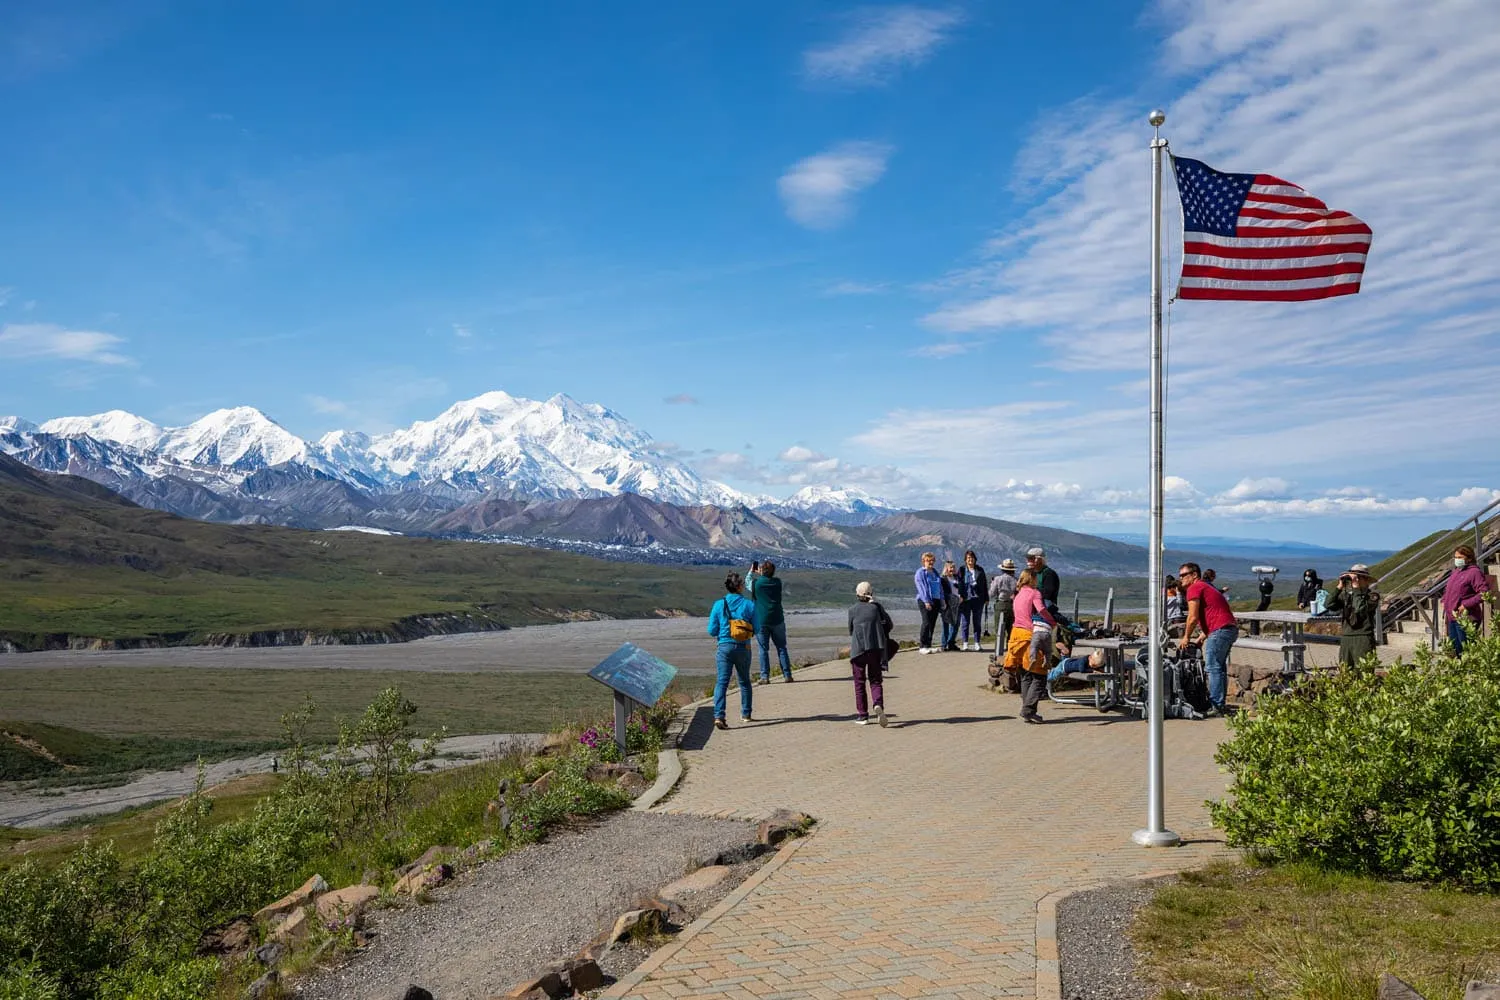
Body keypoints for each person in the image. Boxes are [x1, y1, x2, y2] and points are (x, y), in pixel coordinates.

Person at [1178, 562, 1236, 716]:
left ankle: (1216, 705)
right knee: (1220, 667)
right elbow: (1213, 612)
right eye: (1180, 575)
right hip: (1228, 628)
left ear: (1194, 575)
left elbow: (1192, 617)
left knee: (1213, 667)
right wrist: (1201, 637)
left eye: (1184, 575)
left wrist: (1186, 637)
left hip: (1220, 630)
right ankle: (1220, 704)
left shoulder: (1194, 588)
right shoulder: (1207, 586)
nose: (1180, 578)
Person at [707, 572, 756, 730]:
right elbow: (758, 627)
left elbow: (712, 630)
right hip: (743, 647)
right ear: (740, 586)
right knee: (744, 681)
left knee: (722, 682)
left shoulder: (718, 605)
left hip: (724, 647)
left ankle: (719, 715)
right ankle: (746, 714)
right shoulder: (749, 605)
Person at [1009, 568, 1056, 723]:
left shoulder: (1018, 594)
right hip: (1029, 635)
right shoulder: (1034, 593)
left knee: (1026, 673)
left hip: (1016, 633)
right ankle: (1028, 709)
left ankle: (1027, 708)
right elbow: (1041, 608)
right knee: (1039, 674)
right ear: (1033, 579)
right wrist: (1051, 621)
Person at [847, 581, 893, 727]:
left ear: (857, 595)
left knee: (859, 683)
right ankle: (878, 704)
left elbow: (850, 630)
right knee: (875, 680)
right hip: (876, 648)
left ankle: (863, 715)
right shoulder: (877, 608)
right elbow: (889, 625)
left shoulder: (852, 610)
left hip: (858, 650)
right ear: (871, 594)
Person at [1325, 564, 1381, 667]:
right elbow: (1328, 604)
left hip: (1363, 637)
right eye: (1353, 578)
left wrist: (1356, 589)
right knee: (1346, 671)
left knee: (1363, 670)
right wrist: (1339, 587)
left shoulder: (1372, 596)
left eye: (1357, 577)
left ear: (1366, 580)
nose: (1354, 581)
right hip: (1346, 637)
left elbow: (1359, 609)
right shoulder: (1347, 596)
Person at [1442, 545, 1492, 657]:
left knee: (1467, 651)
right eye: (1455, 557)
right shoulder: (1456, 571)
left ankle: (1472, 673)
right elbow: (1450, 590)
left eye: (1460, 557)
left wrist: (1466, 605)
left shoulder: (1474, 572)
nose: (1457, 560)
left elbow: (1484, 592)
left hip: (1466, 618)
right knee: (1455, 650)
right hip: (1452, 617)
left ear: (1469, 558)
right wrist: (1445, 600)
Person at [749, 560, 794, 684]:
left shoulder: (756, 584)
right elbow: (768, 579)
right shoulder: (777, 582)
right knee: (782, 648)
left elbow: (748, 581)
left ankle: (765, 677)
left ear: (762, 570)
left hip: (761, 620)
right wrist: (763, 573)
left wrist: (752, 571)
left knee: (763, 649)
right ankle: (787, 674)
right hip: (777, 619)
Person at [914, 552, 944, 654]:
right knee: (926, 622)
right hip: (925, 600)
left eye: (932, 560)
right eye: (928, 560)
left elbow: (940, 587)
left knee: (932, 623)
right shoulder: (920, 573)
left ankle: (928, 645)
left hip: (936, 600)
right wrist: (926, 601)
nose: (930, 562)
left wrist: (942, 599)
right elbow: (921, 588)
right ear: (923, 561)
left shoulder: (935, 572)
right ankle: (922, 645)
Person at [960, 550, 989, 651]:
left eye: (972, 558)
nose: (970, 560)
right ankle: (965, 643)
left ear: (975, 559)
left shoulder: (980, 570)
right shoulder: (962, 569)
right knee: (965, 622)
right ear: (965, 560)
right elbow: (959, 583)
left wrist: (986, 598)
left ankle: (977, 643)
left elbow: (985, 584)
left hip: (978, 599)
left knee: (977, 622)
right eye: (968, 558)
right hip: (965, 599)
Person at [989, 558, 1018, 655]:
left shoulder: (998, 579)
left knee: (999, 630)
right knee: (1012, 630)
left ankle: (998, 653)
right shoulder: (1016, 580)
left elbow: (992, 594)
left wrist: (992, 583)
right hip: (1013, 605)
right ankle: (1011, 651)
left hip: (1001, 604)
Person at [1026, 547, 1063, 621]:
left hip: (1045, 610)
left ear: (1039, 559)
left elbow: (1047, 593)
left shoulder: (1048, 574)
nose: (1028, 561)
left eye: (1031, 558)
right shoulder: (1032, 573)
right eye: (1028, 558)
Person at [940, 560, 963, 652]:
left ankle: (951, 643)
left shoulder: (958, 579)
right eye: (950, 568)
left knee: (956, 624)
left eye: (953, 567)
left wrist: (962, 596)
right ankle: (944, 644)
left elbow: (963, 589)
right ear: (946, 568)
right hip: (947, 604)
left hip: (958, 604)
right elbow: (941, 592)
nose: (952, 569)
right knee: (946, 624)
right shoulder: (942, 579)